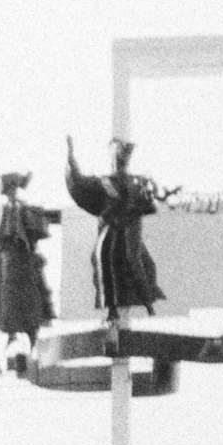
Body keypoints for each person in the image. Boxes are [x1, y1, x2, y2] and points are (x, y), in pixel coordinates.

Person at [64, 136, 167, 318]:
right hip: (110, 226)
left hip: (129, 227)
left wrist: (150, 193)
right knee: (103, 259)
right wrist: (71, 157)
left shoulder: (138, 181)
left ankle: (148, 304)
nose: (120, 161)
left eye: (123, 157)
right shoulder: (104, 182)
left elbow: (149, 204)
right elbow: (79, 183)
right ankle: (112, 309)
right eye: (117, 157)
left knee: (133, 260)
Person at [0, 171, 63, 348]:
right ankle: (10, 330)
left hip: (23, 255)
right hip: (6, 255)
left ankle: (31, 332)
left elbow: (43, 222)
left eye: (14, 188)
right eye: (9, 190)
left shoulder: (27, 209)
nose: (12, 192)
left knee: (29, 293)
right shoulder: (1, 210)